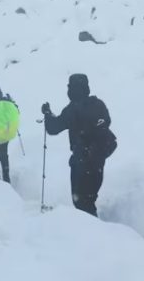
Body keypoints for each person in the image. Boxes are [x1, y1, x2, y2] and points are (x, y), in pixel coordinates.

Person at [42, 73, 117, 217]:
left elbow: (53, 128)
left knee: (81, 202)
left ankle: (92, 233)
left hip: (82, 162)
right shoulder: (98, 104)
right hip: (98, 160)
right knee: (89, 199)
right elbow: (106, 122)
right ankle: (96, 231)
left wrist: (47, 113)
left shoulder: (71, 110)